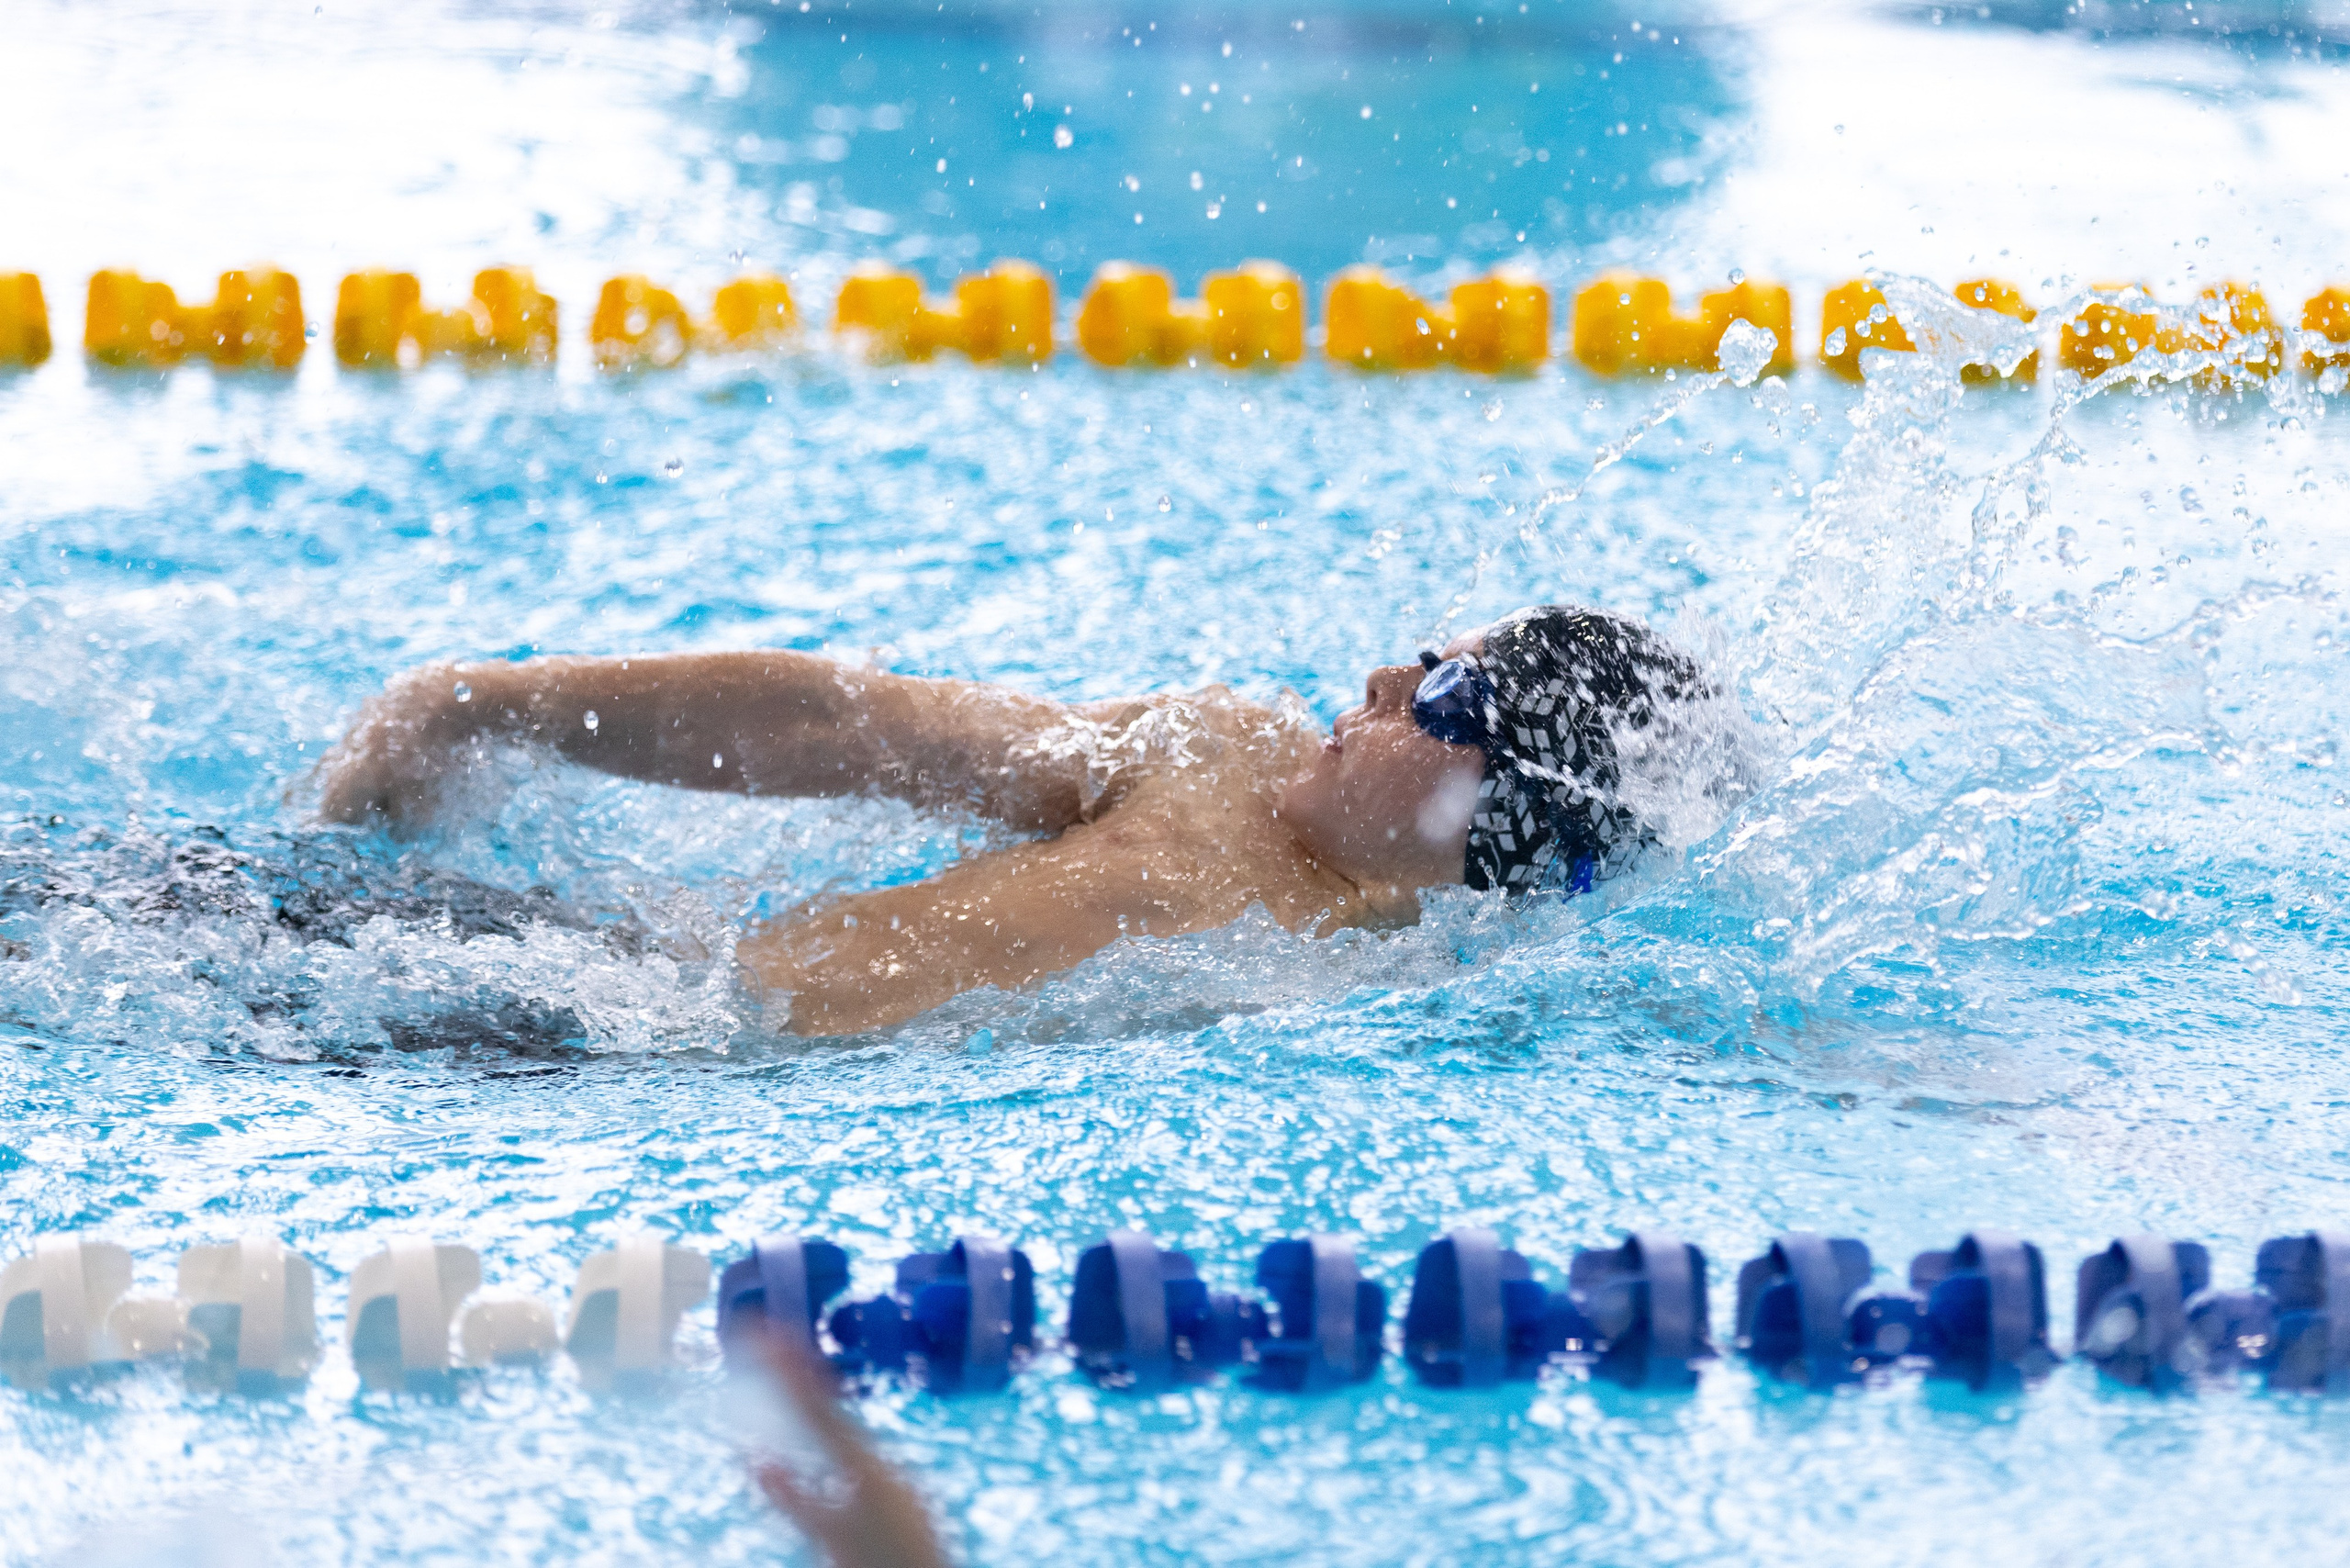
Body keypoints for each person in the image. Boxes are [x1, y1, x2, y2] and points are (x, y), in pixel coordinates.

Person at [315, 605, 1711, 1036]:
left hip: (643, 1072)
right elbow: (859, 725)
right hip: (594, 988)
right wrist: (488, 701)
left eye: (1448, 688)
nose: (1385, 677)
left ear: (1514, 814)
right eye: (1424, 650)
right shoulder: (1213, 752)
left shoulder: (1411, 999)